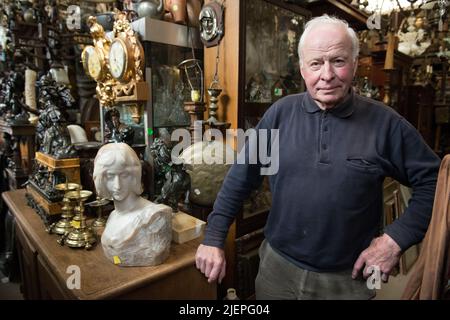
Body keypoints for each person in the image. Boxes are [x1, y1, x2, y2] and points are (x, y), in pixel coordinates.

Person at [195, 15, 441, 299]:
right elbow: (241, 177)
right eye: (315, 63)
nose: (327, 75)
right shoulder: (279, 114)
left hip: (347, 280)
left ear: (354, 63)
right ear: (302, 68)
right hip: (277, 270)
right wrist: (214, 238)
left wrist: (395, 240)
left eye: (338, 61)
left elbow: (436, 181)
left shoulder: (386, 124)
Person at [93, 143, 173, 267]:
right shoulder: (113, 215)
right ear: (101, 179)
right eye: (110, 176)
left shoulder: (155, 216)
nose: (117, 185)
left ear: (135, 176)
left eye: (124, 175)